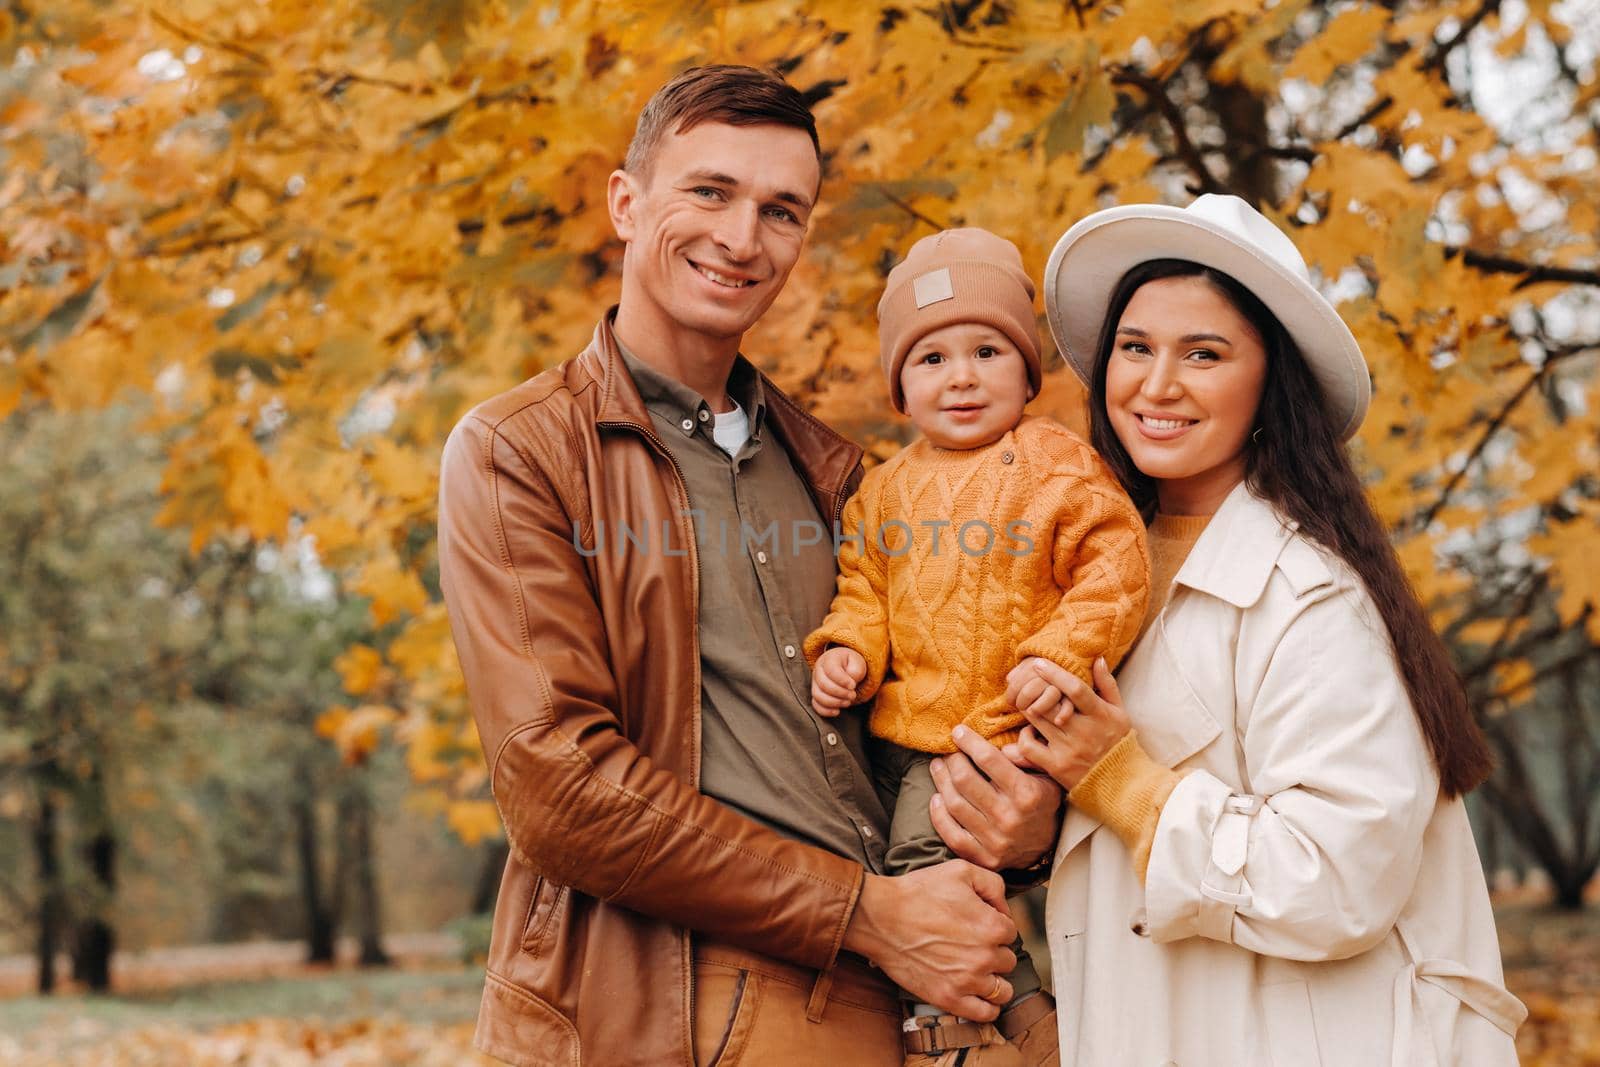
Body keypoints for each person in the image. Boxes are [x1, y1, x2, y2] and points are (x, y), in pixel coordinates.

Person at [435, 65, 1062, 1067]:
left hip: (920, 993)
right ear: (625, 202)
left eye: (781, 210)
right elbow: (558, 784)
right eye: (710, 191)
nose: (741, 237)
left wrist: (1022, 819)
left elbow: (927, 718)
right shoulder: (522, 450)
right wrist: (867, 912)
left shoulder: (839, 472)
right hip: (685, 989)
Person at [992, 193, 1527, 1066]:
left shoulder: (1310, 592)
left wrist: (1124, 783)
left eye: (1204, 353)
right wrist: (1035, 826)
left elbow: (1340, 875)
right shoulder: (1090, 577)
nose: (1156, 384)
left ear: (1268, 381)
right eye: (1136, 347)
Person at [804, 227, 1149, 1064]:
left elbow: (1117, 566)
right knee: (878, 861)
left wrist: (1057, 656)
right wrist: (847, 649)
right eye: (931, 359)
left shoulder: (1054, 466)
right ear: (900, 391)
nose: (961, 376)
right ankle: (1029, 1018)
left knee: (930, 867)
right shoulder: (882, 492)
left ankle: (956, 1031)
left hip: (992, 729)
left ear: (1027, 372)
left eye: (987, 350)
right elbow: (864, 589)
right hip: (896, 729)